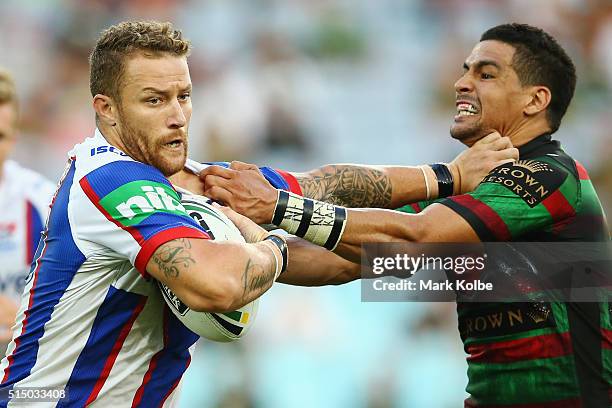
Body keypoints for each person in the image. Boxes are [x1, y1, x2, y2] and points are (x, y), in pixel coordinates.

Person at [0, 21, 515, 407]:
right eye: (154, 100)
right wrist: (265, 240)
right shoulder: (107, 181)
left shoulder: (195, 180)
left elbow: (324, 186)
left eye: (184, 96)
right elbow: (220, 284)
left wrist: (448, 185)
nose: (177, 115)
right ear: (106, 109)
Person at [202, 24, 610, 407]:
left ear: (536, 100)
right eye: (466, 70)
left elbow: (413, 237)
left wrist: (277, 206)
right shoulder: (473, 187)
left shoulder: (551, 177)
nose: (461, 82)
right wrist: (252, 251)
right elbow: (351, 259)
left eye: (486, 74)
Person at [0, 70, 55, 359]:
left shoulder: (42, 200)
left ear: (14, 138)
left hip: (22, 367)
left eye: (0, 136)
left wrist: (24, 320)